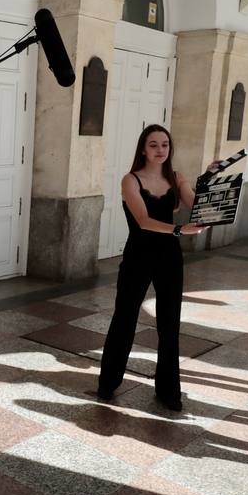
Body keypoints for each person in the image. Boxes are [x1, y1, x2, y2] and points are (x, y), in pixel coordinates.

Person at [96, 125, 210, 411]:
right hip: (138, 255)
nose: (160, 150)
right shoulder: (130, 180)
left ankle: (169, 391)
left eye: (165, 145)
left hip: (170, 257)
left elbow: (197, 206)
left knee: (170, 323)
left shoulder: (177, 178)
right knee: (125, 318)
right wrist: (179, 229)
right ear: (143, 149)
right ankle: (108, 383)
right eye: (154, 144)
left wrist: (209, 181)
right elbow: (144, 221)